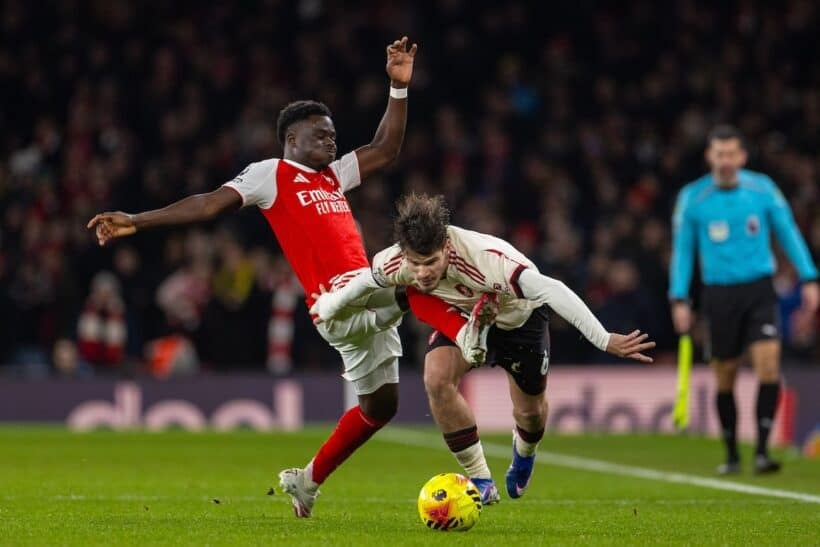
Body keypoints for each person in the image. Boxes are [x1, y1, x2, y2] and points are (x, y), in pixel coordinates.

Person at [88, 37, 485, 518]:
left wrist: (397, 89)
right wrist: (138, 219)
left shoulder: (333, 177)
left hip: (367, 302)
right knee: (415, 270)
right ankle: (471, 329)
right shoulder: (270, 174)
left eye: (333, 135)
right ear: (292, 139)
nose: (331, 142)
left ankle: (306, 481)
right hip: (337, 303)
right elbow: (209, 203)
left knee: (381, 408)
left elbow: (385, 148)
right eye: (321, 135)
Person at [311, 193, 656, 502]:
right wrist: (328, 306)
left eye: (430, 262)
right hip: (466, 318)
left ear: (446, 248)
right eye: (415, 264)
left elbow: (552, 289)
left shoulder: (485, 260)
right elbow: (362, 283)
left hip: (519, 321)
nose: (422, 273)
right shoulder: (396, 261)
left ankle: (525, 452)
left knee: (530, 415)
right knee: (437, 379)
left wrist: (603, 338)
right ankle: (480, 478)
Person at [669, 124, 819, 475]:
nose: (725, 161)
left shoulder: (762, 190)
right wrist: (678, 298)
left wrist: (809, 276)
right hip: (719, 295)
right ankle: (733, 453)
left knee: (769, 364)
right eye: (719, 154)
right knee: (727, 376)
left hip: (758, 290)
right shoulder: (693, 198)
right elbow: (683, 253)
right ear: (710, 157)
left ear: (742, 156)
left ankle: (764, 451)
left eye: (731, 154)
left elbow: (789, 232)